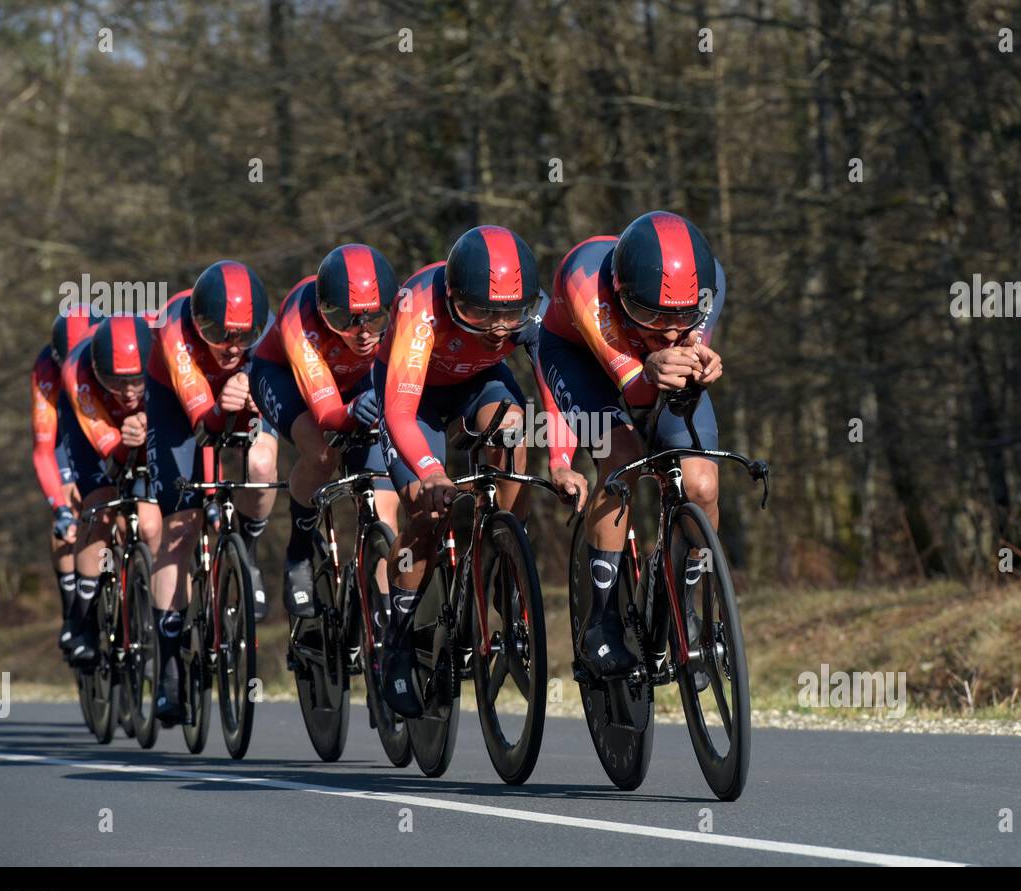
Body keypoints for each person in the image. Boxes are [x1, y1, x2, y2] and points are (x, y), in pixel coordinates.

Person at [376, 225, 586, 718]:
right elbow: (401, 412)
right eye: (479, 314)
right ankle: (398, 639)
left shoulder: (532, 317)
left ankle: (502, 549)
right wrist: (429, 470)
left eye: (508, 315)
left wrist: (560, 462)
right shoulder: (419, 307)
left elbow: (555, 394)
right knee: (426, 515)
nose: (496, 329)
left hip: (478, 382)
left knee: (515, 427)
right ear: (452, 300)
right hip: (414, 396)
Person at [538, 211, 726, 685]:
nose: (666, 331)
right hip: (582, 358)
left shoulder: (712, 281)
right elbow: (639, 397)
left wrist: (700, 360)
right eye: (651, 315)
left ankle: (685, 605)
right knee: (621, 456)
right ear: (624, 295)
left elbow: (681, 353)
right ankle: (600, 618)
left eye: (680, 318)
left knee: (702, 482)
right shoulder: (586, 281)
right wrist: (654, 363)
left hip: (648, 366)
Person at [144, 260, 276, 723]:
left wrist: (255, 393)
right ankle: (170, 666)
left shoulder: (266, 334)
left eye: (244, 336)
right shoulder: (173, 328)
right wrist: (223, 408)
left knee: (260, 464)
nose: (232, 346)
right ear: (198, 324)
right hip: (179, 408)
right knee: (179, 526)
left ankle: (248, 554)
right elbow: (204, 422)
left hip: (239, 398)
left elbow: (275, 389)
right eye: (218, 333)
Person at [250, 243, 401, 619]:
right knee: (321, 453)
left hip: (356, 384)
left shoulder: (400, 317)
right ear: (324, 311)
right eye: (346, 319)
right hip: (289, 380)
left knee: (384, 509)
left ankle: (385, 621)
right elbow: (328, 414)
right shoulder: (298, 319)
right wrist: (348, 412)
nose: (363, 333)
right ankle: (298, 554)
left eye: (374, 319)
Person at [59, 314, 162, 665]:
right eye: (117, 381)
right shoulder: (79, 373)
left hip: (143, 428)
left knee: (150, 524)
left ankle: (149, 603)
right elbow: (110, 451)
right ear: (100, 371)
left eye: (136, 380)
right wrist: (126, 442)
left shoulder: (163, 358)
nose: (129, 391)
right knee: (100, 507)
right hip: (94, 429)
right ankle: (83, 617)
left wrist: (150, 431)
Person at [30, 306, 102, 652]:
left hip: (105, 418)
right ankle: (73, 610)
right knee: (70, 507)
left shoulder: (115, 349)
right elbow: (45, 447)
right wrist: (58, 506)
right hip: (66, 431)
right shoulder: (47, 369)